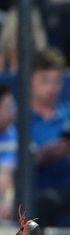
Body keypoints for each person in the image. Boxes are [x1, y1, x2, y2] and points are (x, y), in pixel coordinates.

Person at [30, 48, 70, 227]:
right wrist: (41, 156)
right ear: (30, 81)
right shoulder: (21, 120)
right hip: (37, 196)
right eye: (45, 81)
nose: (51, 87)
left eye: (56, 81)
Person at [0, 84, 16, 223]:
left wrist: (8, 201)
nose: (14, 111)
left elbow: (6, 174)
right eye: (8, 107)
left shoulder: (12, 133)